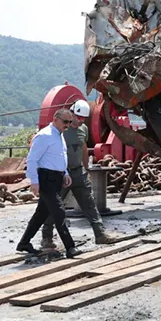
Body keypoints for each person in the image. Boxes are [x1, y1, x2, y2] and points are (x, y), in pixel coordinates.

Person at [40, 99, 116, 248]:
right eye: (79, 117)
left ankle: (100, 234)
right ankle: (47, 237)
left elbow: (83, 148)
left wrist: (86, 169)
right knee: (54, 206)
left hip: (78, 172)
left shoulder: (83, 129)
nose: (81, 121)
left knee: (89, 203)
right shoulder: (60, 130)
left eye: (83, 118)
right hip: (61, 174)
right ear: (72, 114)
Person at [16, 108, 79, 257]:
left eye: (70, 122)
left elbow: (59, 157)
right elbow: (32, 159)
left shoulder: (59, 135)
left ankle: (24, 243)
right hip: (46, 179)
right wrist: (34, 181)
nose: (67, 125)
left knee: (41, 214)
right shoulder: (44, 135)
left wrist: (65, 173)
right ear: (55, 119)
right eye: (65, 122)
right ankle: (70, 247)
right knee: (59, 212)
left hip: (56, 179)